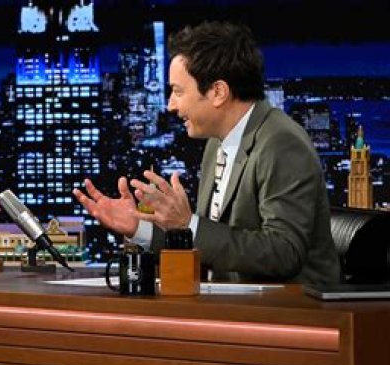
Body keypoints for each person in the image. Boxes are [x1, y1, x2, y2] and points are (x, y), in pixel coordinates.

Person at [74, 20, 340, 285]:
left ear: (218, 92)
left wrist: (187, 223)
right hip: (224, 303)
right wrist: (138, 227)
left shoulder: (280, 143)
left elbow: (284, 253)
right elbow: (206, 242)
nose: (171, 105)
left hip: (288, 307)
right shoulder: (216, 143)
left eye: (178, 92)